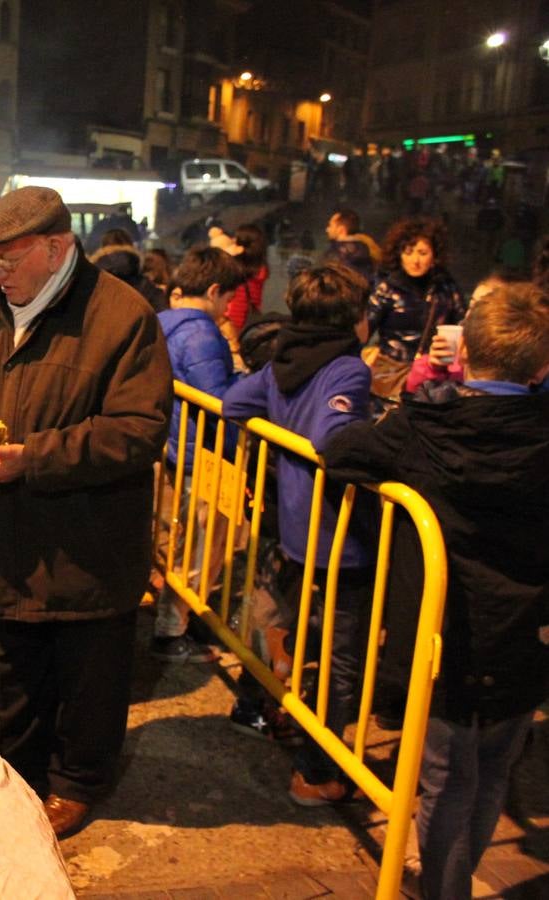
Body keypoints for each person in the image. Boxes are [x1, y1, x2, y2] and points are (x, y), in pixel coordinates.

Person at [0, 186, 172, 837]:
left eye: (7, 261)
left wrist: (30, 458)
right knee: (15, 667)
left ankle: (78, 781)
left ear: (58, 247)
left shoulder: (122, 317)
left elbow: (138, 429)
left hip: (84, 546)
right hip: (6, 537)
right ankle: (18, 775)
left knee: (85, 678)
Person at [322, 282, 549, 900]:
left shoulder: (425, 428)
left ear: (466, 356)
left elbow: (339, 450)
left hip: (446, 633)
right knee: (497, 767)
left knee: (446, 778)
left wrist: (349, 409)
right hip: (528, 633)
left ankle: (444, 888)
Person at [221, 262, 376, 806]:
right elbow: (333, 437)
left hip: (297, 531)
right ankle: (317, 770)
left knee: (306, 635)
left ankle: (287, 719)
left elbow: (237, 404)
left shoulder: (285, 357)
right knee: (343, 657)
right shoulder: (347, 370)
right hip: (340, 537)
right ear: (355, 317)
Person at [151, 246, 246, 663]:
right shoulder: (202, 333)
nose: (228, 308)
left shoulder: (161, 322)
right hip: (200, 455)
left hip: (171, 447)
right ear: (213, 290)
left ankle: (177, 620)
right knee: (199, 547)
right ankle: (173, 631)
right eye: (228, 298)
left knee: (179, 541)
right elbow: (217, 399)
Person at [366, 217, 465, 398]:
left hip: (434, 373)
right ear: (399, 254)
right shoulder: (387, 289)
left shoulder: (446, 287)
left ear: (434, 255)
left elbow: (462, 325)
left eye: (422, 252)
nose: (415, 260)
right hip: (393, 373)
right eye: (408, 252)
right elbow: (365, 328)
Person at [88, 228, 167, 312]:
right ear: (131, 246)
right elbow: (161, 314)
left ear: (101, 248)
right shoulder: (147, 286)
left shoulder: (90, 283)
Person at [225, 223, 268, 339]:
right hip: (249, 322)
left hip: (233, 323)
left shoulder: (235, 270)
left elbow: (235, 308)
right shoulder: (260, 269)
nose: (232, 240)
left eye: (236, 239)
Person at [320, 207, 379, 281]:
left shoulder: (335, 254)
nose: (327, 229)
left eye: (330, 225)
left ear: (341, 230)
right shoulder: (367, 249)